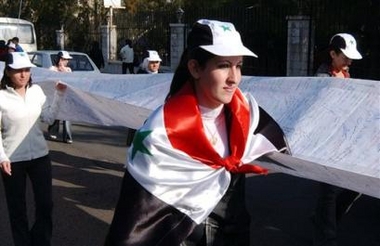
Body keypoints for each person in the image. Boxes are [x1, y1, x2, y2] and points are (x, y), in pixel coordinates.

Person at [104, 19, 288, 246]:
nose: (234, 78)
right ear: (195, 68)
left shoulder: (249, 117)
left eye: (238, 65)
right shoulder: (160, 133)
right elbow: (137, 222)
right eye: (223, 66)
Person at [0, 52, 67, 246]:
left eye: (27, 70)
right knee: (17, 209)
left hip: (40, 156)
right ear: (8, 72)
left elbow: (48, 118)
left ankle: (41, 241)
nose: (23, 74)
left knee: (46, 205)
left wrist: (60, 95)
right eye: (18, 70)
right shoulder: (1, 97)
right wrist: (2, 157)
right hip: (13, 160)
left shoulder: (37, 91)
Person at [312, 33, 363, 246]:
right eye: (345, 57)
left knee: (357, 186)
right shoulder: (322, 80)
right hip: (328, 142)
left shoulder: (346, 74)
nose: (349, 62)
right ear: (332, 54)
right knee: (329, 192)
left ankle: (325, 221)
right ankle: (326, 237)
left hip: (348, 140)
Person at [47, 51, 73, 143]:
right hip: (55, 94)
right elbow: (50, 80)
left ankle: (67, 137)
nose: (66, 61)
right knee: (56, 114)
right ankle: (53, 131)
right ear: (59, 59)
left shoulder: (68, 70)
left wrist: (63, 70)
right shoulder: (52, 69)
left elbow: (70, 80)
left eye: (67, 60)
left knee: (66, 116)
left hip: (65, 95)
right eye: (64, 59)